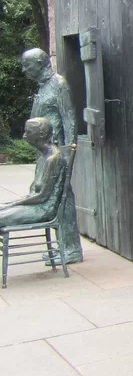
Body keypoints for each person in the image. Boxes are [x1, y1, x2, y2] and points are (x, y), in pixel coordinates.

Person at [20, 49, 82, 263]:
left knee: (63, 197)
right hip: (44, 153)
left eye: (27, 65)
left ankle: (71, 249)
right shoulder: (43, 87)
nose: (24, 70)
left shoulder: (59, 84)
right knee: (52, 197)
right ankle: (63, 245)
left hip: (57, 153)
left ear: (40, 63)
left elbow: (69, 119)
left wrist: (69, 153)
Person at [0, 117, 67, 229]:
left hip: (43, 208)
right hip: (33, 204)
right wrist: (8, 205)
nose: (24, 136)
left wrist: (10, 205)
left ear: (41, 135)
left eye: (28, 132)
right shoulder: (42, 156)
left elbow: (42, 197)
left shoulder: (53, 159)